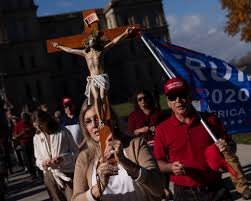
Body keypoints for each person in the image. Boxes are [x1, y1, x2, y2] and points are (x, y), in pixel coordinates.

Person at [154, 77, 235, 201]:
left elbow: (231, 146)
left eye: (182, 95)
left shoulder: (210, 120)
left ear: (190, 97)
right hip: (185, 193)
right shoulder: (162, 129)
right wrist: (171, 167)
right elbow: (158, 163)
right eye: (172, 97)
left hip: (216, 189)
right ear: (168, 103)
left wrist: (227, 148)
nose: (178, 100)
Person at [71, 100, 164, 201]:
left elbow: (159, 188)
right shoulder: (84, 157)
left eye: (97, 118)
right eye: (88, 121)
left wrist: (126, 163)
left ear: (112, 119)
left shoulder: (135, 145)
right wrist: (98, 188)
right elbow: (76, 198)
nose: (94, 125)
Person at [51, 27, 134, 126]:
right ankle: (101, 119)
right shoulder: (85, 53)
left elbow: (114, 42)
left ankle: (105, 116)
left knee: (103, 97)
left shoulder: (101, 51)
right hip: (93, 79)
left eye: (94, 40)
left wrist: (125, 33)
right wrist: (59, 46)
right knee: (97, 98)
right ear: (88, 42)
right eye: (91, 40)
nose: (93, 41)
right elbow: (70, 50)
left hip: (102, 77)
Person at [32, 109, 78, 201]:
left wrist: (63, 158)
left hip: (67, 172)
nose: (39, 129)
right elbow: (37, 158)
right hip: (49, 175)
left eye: (41, 125)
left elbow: (75, 152)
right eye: (37, 127)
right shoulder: (36, 137)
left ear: (47, 120)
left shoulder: (62, 131)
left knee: (73, 198)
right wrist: (43, 163)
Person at [13, 112, 37, 178]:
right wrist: (22, 133)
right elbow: (14, 137)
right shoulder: (18, 125)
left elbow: (36, 131)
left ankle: (39, 171)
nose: (25, 119)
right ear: (21, 118)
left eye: (26, 117)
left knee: (36, 158)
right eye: (24, 117)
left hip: (33, 142)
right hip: (24, 144)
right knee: (27, 160)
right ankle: (32, 174)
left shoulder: (31, 123)